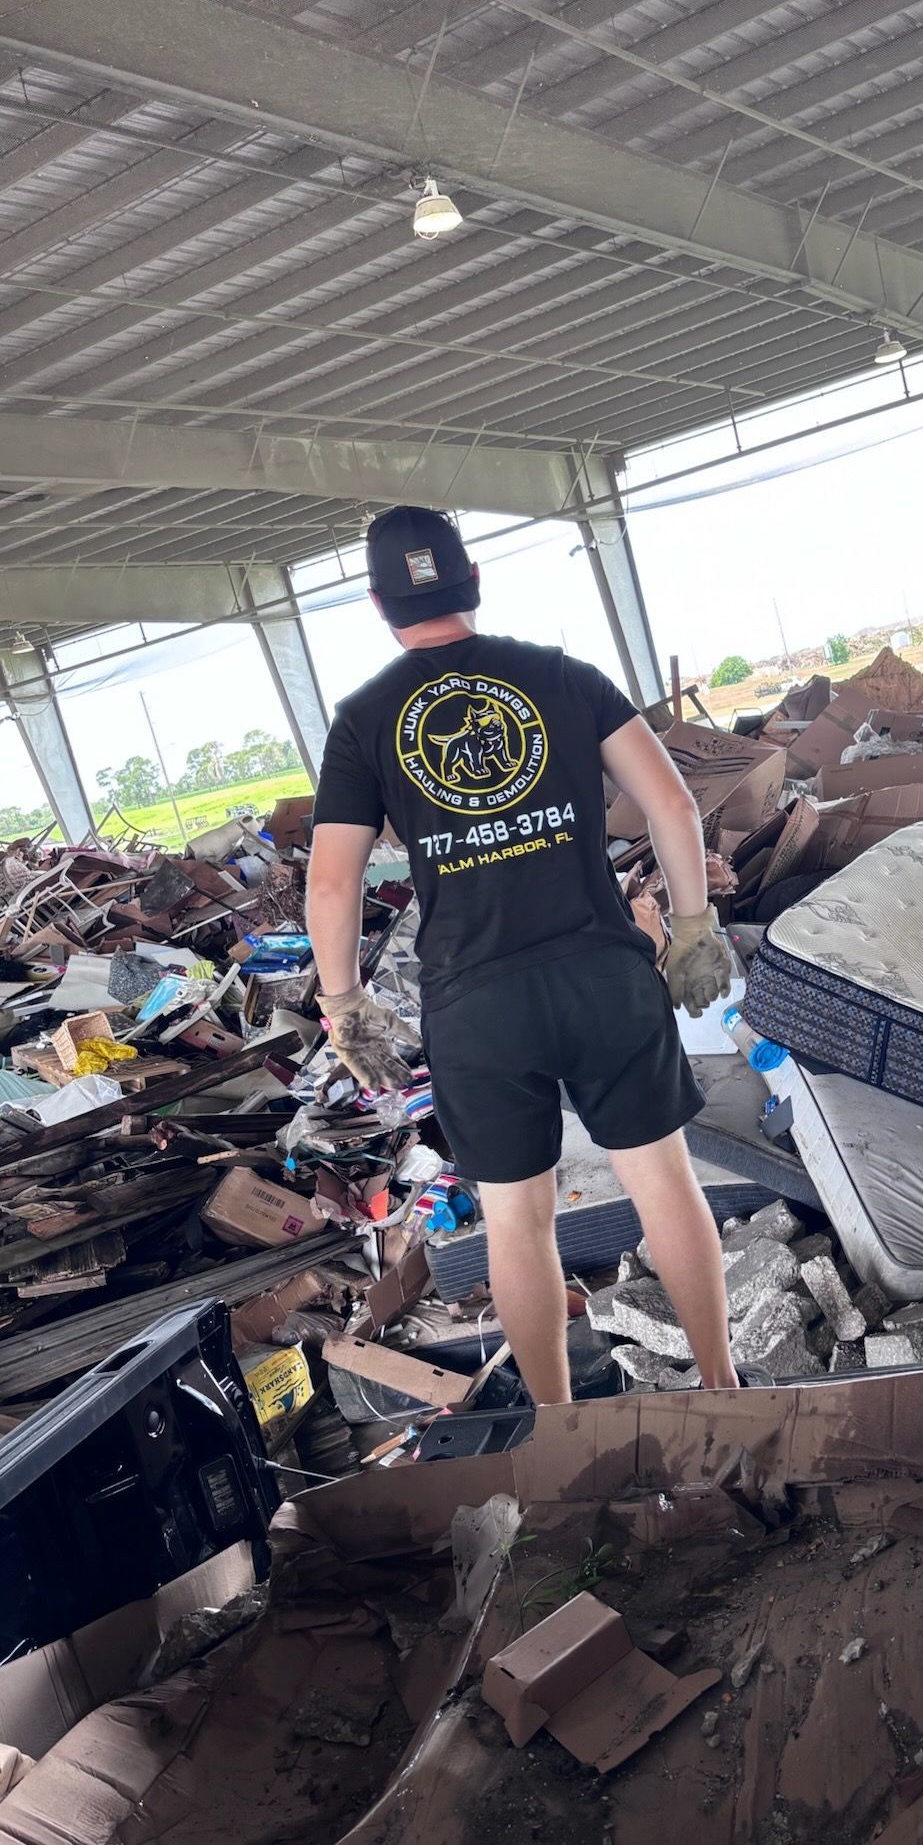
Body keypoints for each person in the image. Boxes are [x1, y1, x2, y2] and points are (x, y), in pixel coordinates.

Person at [306, 505, 740, 1405]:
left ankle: (557, 1429)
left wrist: (344, 1002)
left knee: (516, 1218)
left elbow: (334, 884)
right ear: (474, 582)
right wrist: (693, 923)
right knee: (662, 1180)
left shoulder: (363, 720)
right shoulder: (561, 675)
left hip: (477, 1004)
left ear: (379, 605)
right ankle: (724, 1384)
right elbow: (674, 805)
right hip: (601, 976)